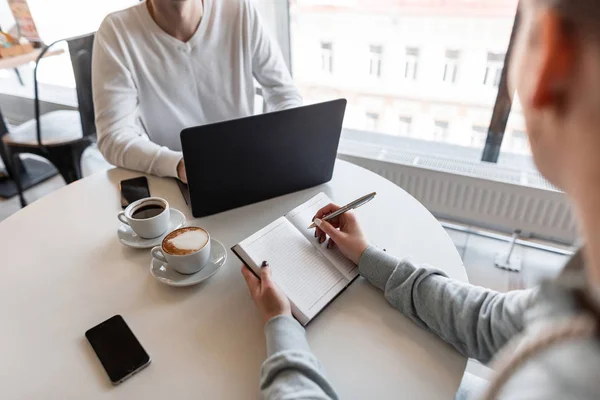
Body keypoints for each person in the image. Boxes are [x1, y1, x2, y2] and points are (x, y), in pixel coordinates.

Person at [241, 0, 600, 398]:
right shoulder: (583, 294)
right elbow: (488, 322)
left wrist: (280, 325)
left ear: (551, 57)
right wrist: (366, 255)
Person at [92, 0, 301, 182]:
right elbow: (114, 135)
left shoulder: (239, 10)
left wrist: (281, 140)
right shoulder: (116, 32)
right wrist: (179, 165)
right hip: (173, 179)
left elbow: (283, 92)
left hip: (248, 166)